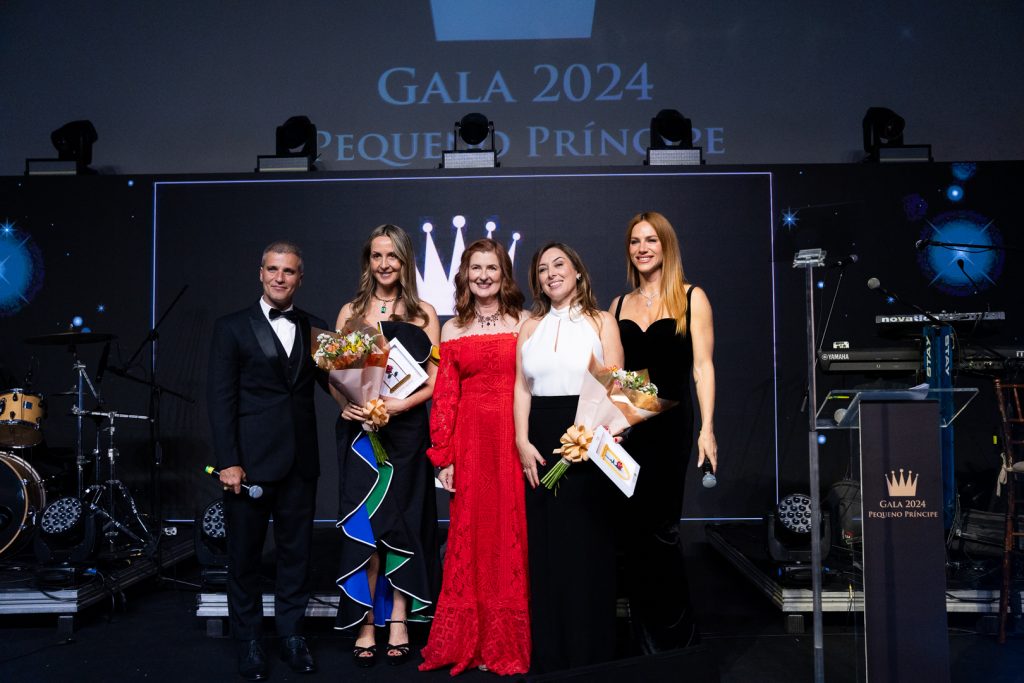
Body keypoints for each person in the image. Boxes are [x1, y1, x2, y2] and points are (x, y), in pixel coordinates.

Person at [207, 240, 327, 680]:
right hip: (249, 465)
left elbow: (341, 384)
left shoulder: (316, 327)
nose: (280, 277)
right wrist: (228, 461)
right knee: (244, 559)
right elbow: (220, 400)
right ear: (260, 273)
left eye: (288, 271)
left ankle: (292, 636)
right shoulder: (231, 327)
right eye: (273, 269)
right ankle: (250, 643)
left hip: (301, 462)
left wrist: (370, 397)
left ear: (300, 278)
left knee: (297, 556)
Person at [419, 239, 531, 676]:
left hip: (512, 441)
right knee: (472, 538)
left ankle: (504, 641)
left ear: (504, 274)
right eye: (476, 268)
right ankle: (472, 641)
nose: (484, 275)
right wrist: (444, 458)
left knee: (509, 536)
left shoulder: (525, 322)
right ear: (465, 275)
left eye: (492, 268)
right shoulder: (451, 329)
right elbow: (445, 398)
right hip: (469, 446)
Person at [608, 210, 718, 653]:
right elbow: (615, 378)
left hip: (671, 430)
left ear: (666, 245)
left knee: (662, 531)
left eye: (651, 240)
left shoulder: (692, 297)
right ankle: (645, 644)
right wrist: (612, 424)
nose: (642, 248)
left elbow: (702, 368)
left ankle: (676, 646)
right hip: (628, 432)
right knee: (631, 536)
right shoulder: (618, 305)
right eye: (635, 241)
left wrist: (708, 429)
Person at [333, 223, 442, 667]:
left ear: (404, 260)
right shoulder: (350, 312)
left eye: (392, 256)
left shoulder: (425, 314)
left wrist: (400, 406)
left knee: (403, 524)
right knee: (368, 527)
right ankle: (365, 622)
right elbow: (336, 375)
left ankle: (398, 619)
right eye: (377, 256)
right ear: (368, 261)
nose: (384, 264)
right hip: (361, 436)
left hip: (407, 433)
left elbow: (434, 381)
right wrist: (347, 404)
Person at [514, 242, 624, 674]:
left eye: (559, 264)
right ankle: (552, 655)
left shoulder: (602, 321)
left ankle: (590, 656)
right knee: (547, 553)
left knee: (587, 550)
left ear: (577, 271)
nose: (551, 274)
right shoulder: (529, 325)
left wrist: (597, 436)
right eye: (542, 269)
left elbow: (617, 386)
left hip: (588, 437)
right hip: (539, 443)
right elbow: (521, 388)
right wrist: (521, 441)